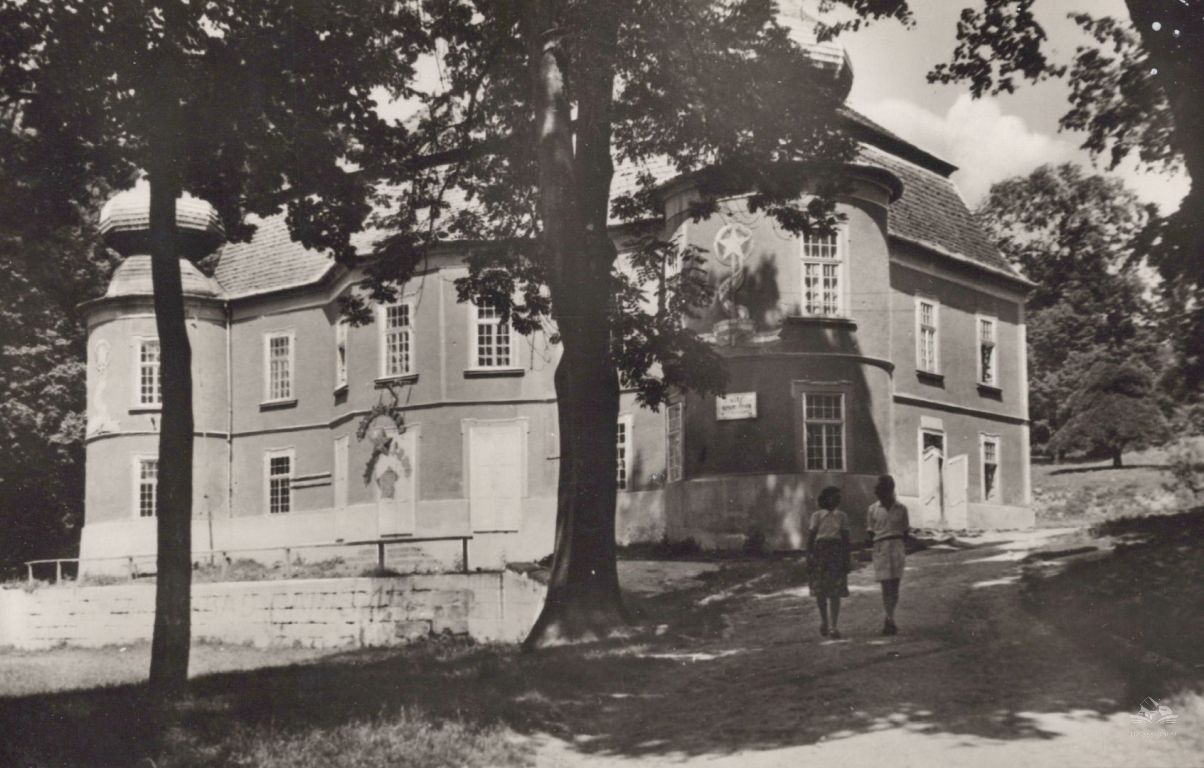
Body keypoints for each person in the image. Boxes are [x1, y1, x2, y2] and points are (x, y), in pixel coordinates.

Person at [866, 475, 909, 635]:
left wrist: (901, 546)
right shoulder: (872, 509)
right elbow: (870, 532)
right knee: (886, 585)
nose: (877, 491)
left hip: (897, 546)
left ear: (889, 489)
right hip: (881, 547)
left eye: (880, 488)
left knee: (895, 584)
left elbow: (905, 531)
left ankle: (890, 617)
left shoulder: (901, 509)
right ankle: (889, 618)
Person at [806, 486, 851, 639]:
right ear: (826, 498)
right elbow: (811, 538)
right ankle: (824, 621)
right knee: (820, 591)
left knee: (835, 591)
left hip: (836, 554)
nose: (837, 499)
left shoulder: (842, 516)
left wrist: (847, 559)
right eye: (834, 496)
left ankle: (834, 626)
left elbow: (845, 540)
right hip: (820, 554)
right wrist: (808, 557)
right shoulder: (817, 516)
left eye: (839, 497)